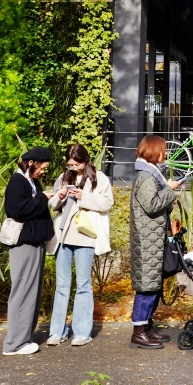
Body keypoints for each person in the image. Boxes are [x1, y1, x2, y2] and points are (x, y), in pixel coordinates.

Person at [48, 143, 114, 347]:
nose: (73, 167)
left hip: (85, 235)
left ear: (85, 161)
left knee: (83, 284)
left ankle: (82, 331)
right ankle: (57, 331)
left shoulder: (99, 178)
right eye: (70, 164)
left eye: (77, 164)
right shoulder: (63, 177)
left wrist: (83, 197)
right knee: (62, 285)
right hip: (63, 236)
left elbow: (106, 203)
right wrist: (59, 197)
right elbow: (52, 206)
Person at [129, 135, 181, 350]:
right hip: (147, 239)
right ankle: (139, 333)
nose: (166, 153)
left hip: (151, 239)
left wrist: (168, 193)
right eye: (163, 149)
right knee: (147, 287)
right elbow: (151, 205)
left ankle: (147, 327)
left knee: (152, 285)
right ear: (153, 151)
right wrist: (169, 190)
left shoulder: (150, 175)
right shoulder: (146, 177)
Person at [2, 147, 54, 356]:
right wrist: (42, 198)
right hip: (24, 244)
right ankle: (14, 343)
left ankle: (24, 338)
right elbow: (16, 210)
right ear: (32, 162)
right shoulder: (18, 181)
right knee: (23, 291)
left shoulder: (30, 180)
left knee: (31, 291)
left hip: (34, 242)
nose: (43, 171)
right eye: (42, 166)